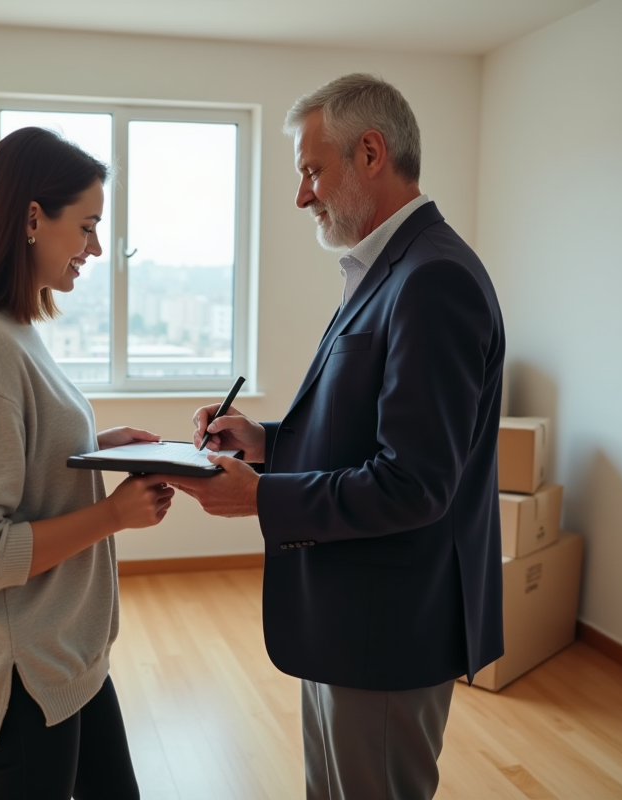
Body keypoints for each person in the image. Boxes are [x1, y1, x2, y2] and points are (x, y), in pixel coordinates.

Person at [165, 74, 506, 800]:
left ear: (372, 153)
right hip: (351, 613)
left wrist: (261, 500)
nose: (302, 195)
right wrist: (262, 439)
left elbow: (413, 483)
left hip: (388, 625)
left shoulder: (432, 280)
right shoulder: (385, 268)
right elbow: (361, 431)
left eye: (312, 171)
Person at [0, 126, 173, 800]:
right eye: (87, 226)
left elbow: (21, 452)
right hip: (20, 684)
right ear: (33, 217)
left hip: (61, 660)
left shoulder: (8, 327)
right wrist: (113, 513)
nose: (95, 247)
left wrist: (99, 442)